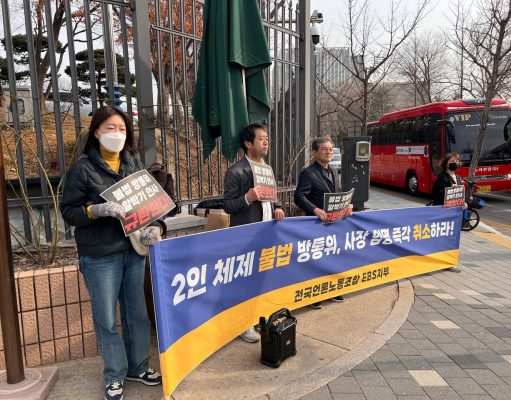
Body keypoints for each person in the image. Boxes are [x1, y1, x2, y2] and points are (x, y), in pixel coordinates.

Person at [60, 106, 165, 400]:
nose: (116, 134)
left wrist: (156, 226)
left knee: (137, 314)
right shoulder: (82, 169)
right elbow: (68, 212)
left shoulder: (132, 163)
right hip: (100, 255)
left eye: (121, 129)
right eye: (110, 128)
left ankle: (139, 367)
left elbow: (148, 204)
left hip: (133, 250)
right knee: (106, 319)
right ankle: (114, 375)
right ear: (96, 132)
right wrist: (95, 210)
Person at [223, 123, 285, 342]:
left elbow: (272, 196)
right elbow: (228, 205)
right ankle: (243, 324)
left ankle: (259, 317)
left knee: (262, 279)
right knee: (245, 281)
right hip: (246, 237)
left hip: (267, 232)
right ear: (248, 143)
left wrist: (278, 207)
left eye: (267, 138)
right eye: (261, 139)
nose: (266, 142)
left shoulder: (267, 169)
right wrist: (247, 198)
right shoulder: (236, 171)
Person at [294, 137, 353, 309]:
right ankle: (314, 295)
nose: (328, 152)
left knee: (332, 257)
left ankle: (332, 289)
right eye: (324, 149)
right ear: (314, 152)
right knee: (316, 259)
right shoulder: (308, 173)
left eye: (331, 149)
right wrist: (315, 209)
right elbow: (299, 196)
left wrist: (346, 205)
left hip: (334, 224)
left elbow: (337, 194)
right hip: (315, 224)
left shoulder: (334, 170)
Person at [431, 152, 465, 273]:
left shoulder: (458, 178)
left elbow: (459, 195)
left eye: (457, 161)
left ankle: (448, 262)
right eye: (452, 161)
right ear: (446, 164)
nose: (455, 163)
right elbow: (435, 193)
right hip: (444, 214)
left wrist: (463, 203)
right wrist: (449, 190)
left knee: (451, 238)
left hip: (454, 214)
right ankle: (443, 262)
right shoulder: (442, 177)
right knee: (443, 238)